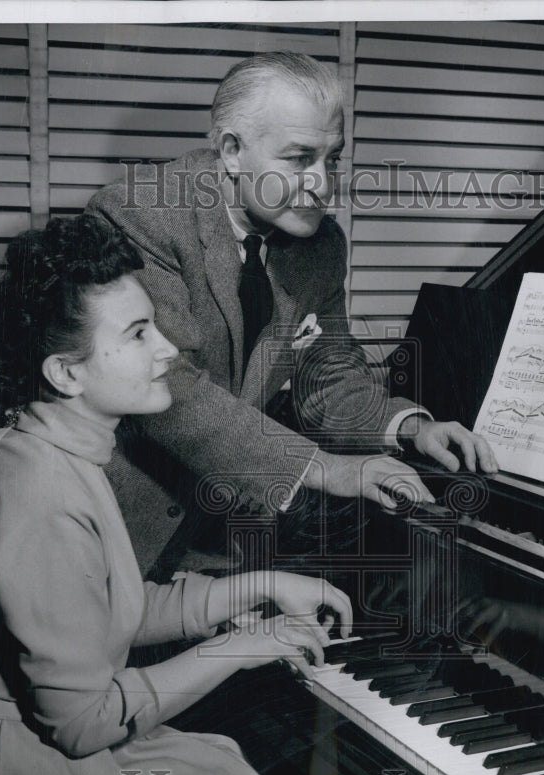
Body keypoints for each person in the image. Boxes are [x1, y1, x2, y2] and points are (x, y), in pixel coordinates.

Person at [0, 215, 352, 775]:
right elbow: (81, 724)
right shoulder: (42, 494)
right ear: (66, 373)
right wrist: (242, 646)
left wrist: (258, 586)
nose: (168, 349)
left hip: (46, 741)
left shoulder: (40, 446)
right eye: (139, 334)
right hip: (19, 766)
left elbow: (100, 611)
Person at [87, 52, 497, 577]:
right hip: (109, 524)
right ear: (232, 151)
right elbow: (168, 387)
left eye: (333, 159)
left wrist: (412, 427)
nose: (323, 184)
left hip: (214, 534)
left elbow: (327, 375)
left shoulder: (321, 245)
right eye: (300, 159)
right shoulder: (141, 214)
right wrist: (325, 468)